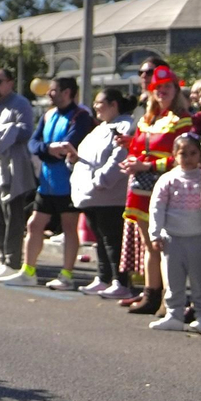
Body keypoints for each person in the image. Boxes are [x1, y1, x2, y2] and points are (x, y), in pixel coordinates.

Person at [4, 77, 94, 290]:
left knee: (69, 227)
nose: (49, 94)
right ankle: (28, 271)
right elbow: (34, 143)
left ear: (67, 92)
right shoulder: (48, 115)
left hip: (68, 184)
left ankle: (66, 275)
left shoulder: (80, 116)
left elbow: (69, 146)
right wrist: (48, 149)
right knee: (34, 225)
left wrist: (51, 151)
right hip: (47, 183)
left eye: (53, 90)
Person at [119, 62, 188, 310]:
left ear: (176, 90)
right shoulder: (147, 119)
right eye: (158, 87)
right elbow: (138, 150)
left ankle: (171, 301)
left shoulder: (182, 120)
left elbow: (184, 157)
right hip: (140, 189)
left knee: (166, 245)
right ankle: (151, 295)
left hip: (167, 188)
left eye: (167, 86)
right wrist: (130, 157)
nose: (162, 91)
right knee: (149, 244)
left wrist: (149, 166)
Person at [147, 134, 201, 333]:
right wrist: (155, 233)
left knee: (199, 280)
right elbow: (157, 207)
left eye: (193, 153)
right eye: (183, 154)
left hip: (198, 237)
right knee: (173, 279)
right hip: (172, 238)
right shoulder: (167, 179)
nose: (188, 158)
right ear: (174, 155)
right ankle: (174, 314)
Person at [70, 88, 132, 296]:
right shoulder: (98, 129)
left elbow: (119, 157)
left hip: (110, 195)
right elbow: (86, 156)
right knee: (100, 239)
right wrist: (73, 161)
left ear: (114, 104)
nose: (96, 106)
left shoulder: (125, 125)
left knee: (113, 239)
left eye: (100, 102)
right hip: (90, 194)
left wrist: (101, 181)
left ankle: (120, 281)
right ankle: (103, 277)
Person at [0, 69, 37, 281]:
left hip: (14, 165)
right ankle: (4, 258)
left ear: (10, 83)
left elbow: (25, 130)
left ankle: (12, 261)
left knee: (12, 213)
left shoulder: (20, 103)